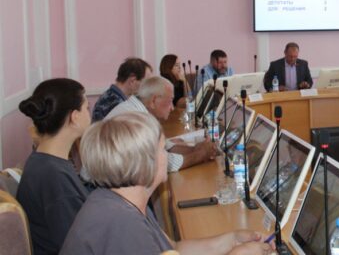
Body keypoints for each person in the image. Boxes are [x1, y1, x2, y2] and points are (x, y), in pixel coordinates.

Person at [60, 112, 273, 255]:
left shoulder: (124, 200)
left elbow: (173, 248)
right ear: (145, 163)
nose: (167, 156)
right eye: (162, 149)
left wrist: (232, 240)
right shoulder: (121, 223)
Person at [16, 78, 92, 255]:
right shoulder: (54, 178)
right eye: (87, 108)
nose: (90, 113)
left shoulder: (44, 161)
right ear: (74, 117)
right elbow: (78, 248)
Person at [105, 76, 219, 172]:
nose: (172, 108)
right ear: (154, 101)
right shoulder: (136, 120)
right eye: (170, 101)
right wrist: (201, 154)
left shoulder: (138, 109)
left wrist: (195, 149)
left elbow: (165, 147)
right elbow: (162, 164)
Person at [92, 57, 152, 122]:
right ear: (132, 81)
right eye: (146, 82)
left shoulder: (113, 97)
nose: (148, 86)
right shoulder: (115, 104)